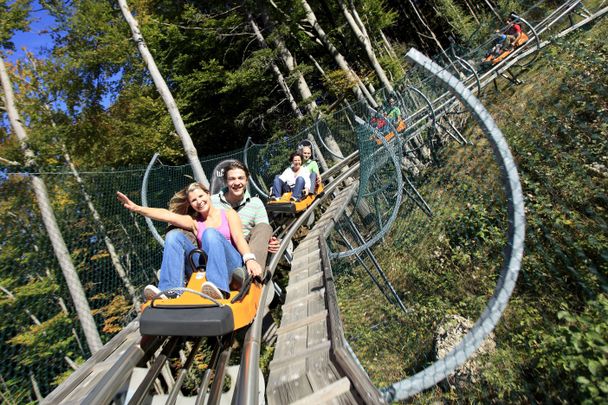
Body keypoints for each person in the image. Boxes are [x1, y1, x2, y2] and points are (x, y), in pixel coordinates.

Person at [116, 182, 262, 300]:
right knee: (173, 235)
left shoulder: (229, 214)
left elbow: (238, 238)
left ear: (208, 194)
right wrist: (137, 208)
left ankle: (218, 288)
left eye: (201, 196)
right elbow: (166, 215)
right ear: (191, 204)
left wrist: (249, 259)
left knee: (210, 233)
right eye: (193, 200)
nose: (199, 201)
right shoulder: (194, 223)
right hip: (206, 267)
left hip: (231, 265)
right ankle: (170, 290)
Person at [211, 160, 279, 269]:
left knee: (264, 227)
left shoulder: (255, 203)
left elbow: (263, 232)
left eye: (240, 178)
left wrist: (270, 241)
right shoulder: (212, 202)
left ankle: (252, 277)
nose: (237, 183)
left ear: (247, 180)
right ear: (225, 181)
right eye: (232, 179)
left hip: (248, 249)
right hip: (222, 248)